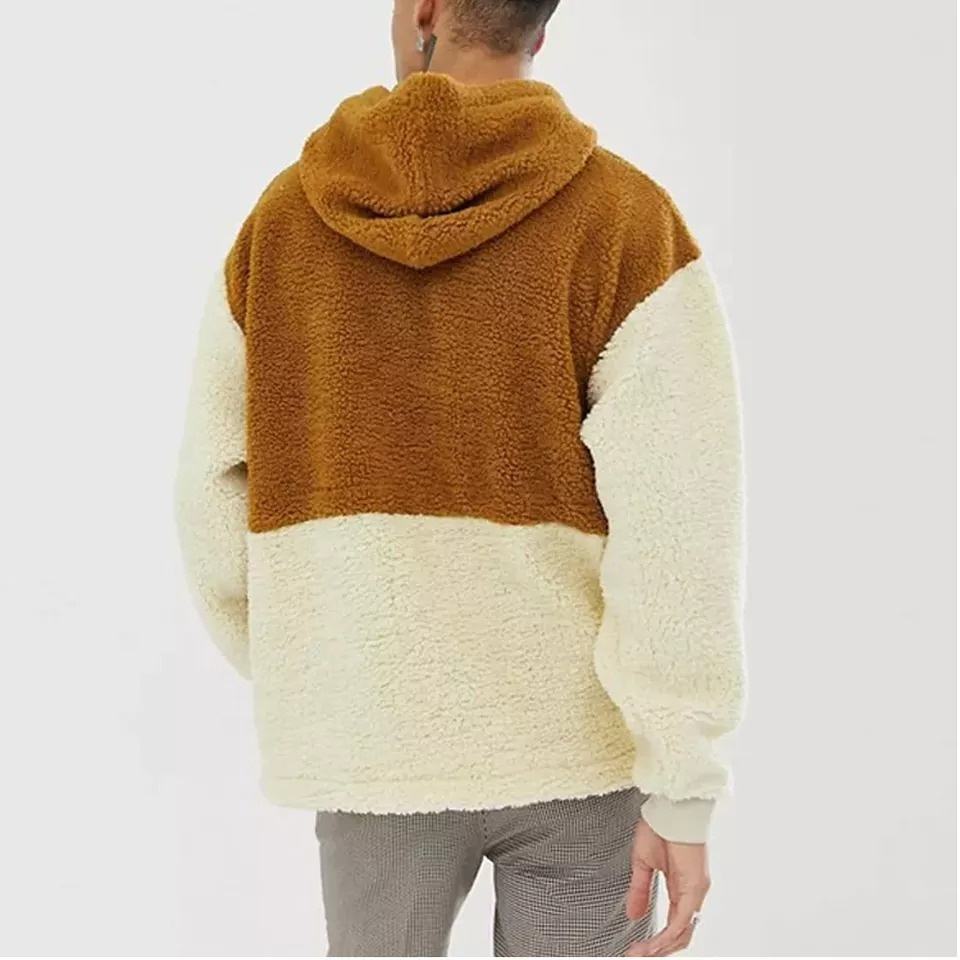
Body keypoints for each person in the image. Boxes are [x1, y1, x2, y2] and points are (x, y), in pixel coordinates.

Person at [173, 0, 747, 955]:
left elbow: (208, 497)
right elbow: (680, 527)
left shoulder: (282, 224)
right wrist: (682, 783)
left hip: (370, 743)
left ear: (427, 11)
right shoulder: (626, 221)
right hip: (577, 751)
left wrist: (324, 670)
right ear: (538, 32)